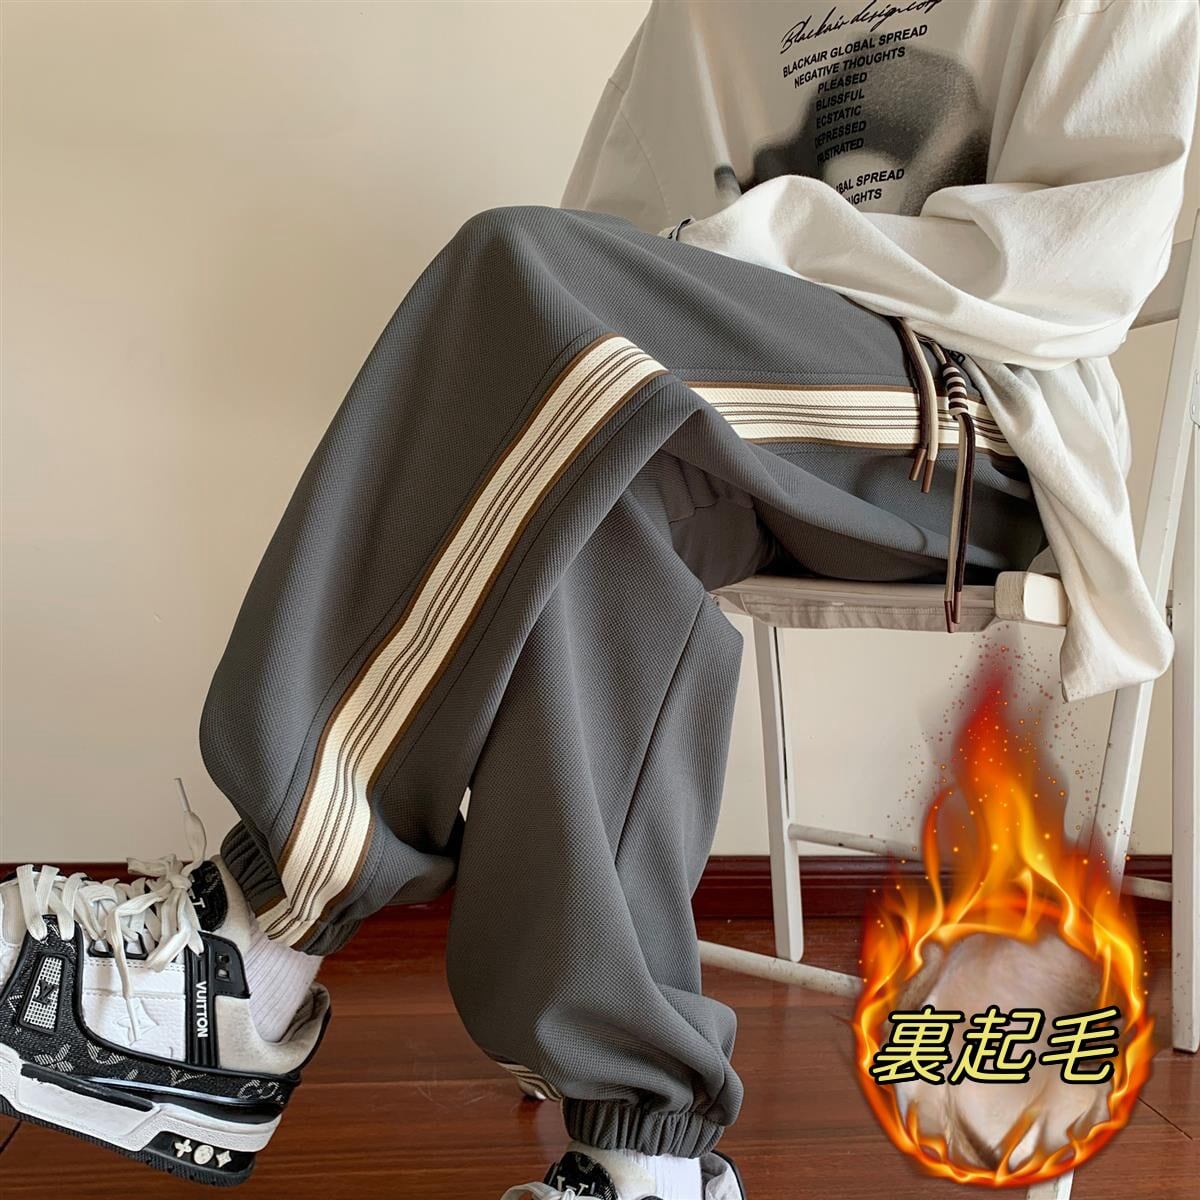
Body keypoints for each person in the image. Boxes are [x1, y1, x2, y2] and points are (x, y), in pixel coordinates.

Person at [1, 3, 1194, 1198]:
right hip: (741, 425)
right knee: (595, 470)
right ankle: (645, 1152)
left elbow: (1080, 261)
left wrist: (755, 248)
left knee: (524, 277)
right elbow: (613, 257)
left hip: (978, 420)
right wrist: (712, 277)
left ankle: (250, 944)